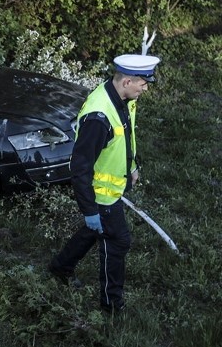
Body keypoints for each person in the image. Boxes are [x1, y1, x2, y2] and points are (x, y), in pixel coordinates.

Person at [48, 53, 160, 313]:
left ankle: (60, 267)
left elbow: (125, 134)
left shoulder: (122, 97)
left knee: (95, 231)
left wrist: (131, 166)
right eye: (143, 83)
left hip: (112, 189)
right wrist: (90, 209)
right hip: (101, 195)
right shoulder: (99, 118)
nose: (146, 88)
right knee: (117, 242)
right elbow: (80, 167)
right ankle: (111, 306)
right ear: (127, 82)